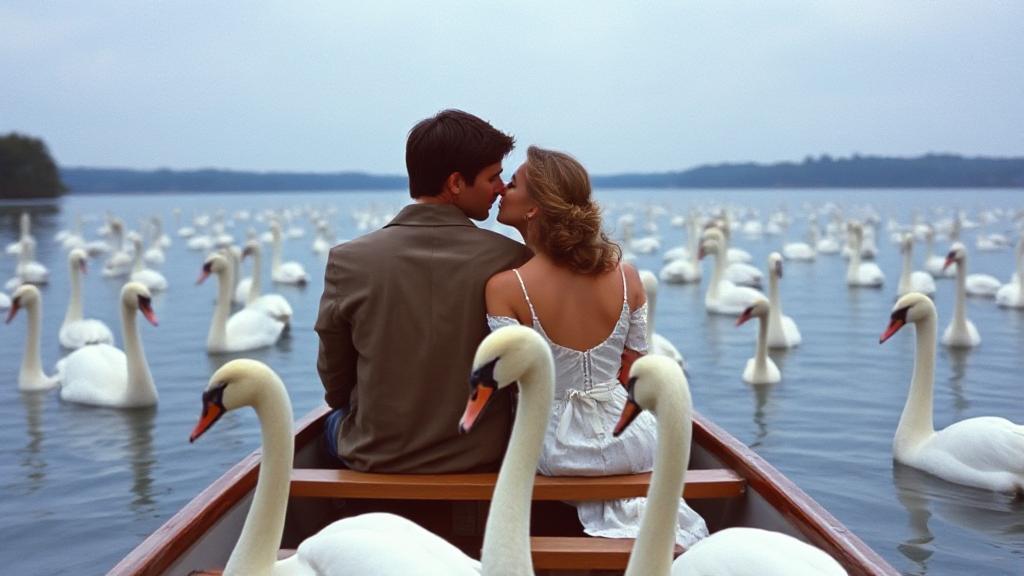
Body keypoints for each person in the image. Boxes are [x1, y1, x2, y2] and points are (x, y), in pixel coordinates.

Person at [485, 146, 708, 547]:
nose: (502, 189)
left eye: (513, 184)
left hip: (555, 448)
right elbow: (633, 368)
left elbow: (507, 383)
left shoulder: (506, 287)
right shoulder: (627, 276)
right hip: (634, 440)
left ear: (534, 208)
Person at [316, 110, 531, 473]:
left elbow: (335, 385)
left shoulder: (347, 260)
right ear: (456, 183)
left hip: (376, 456)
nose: (499, 188)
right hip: (478, 455)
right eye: (493, 177)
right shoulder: (512, 259)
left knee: (329, 424)